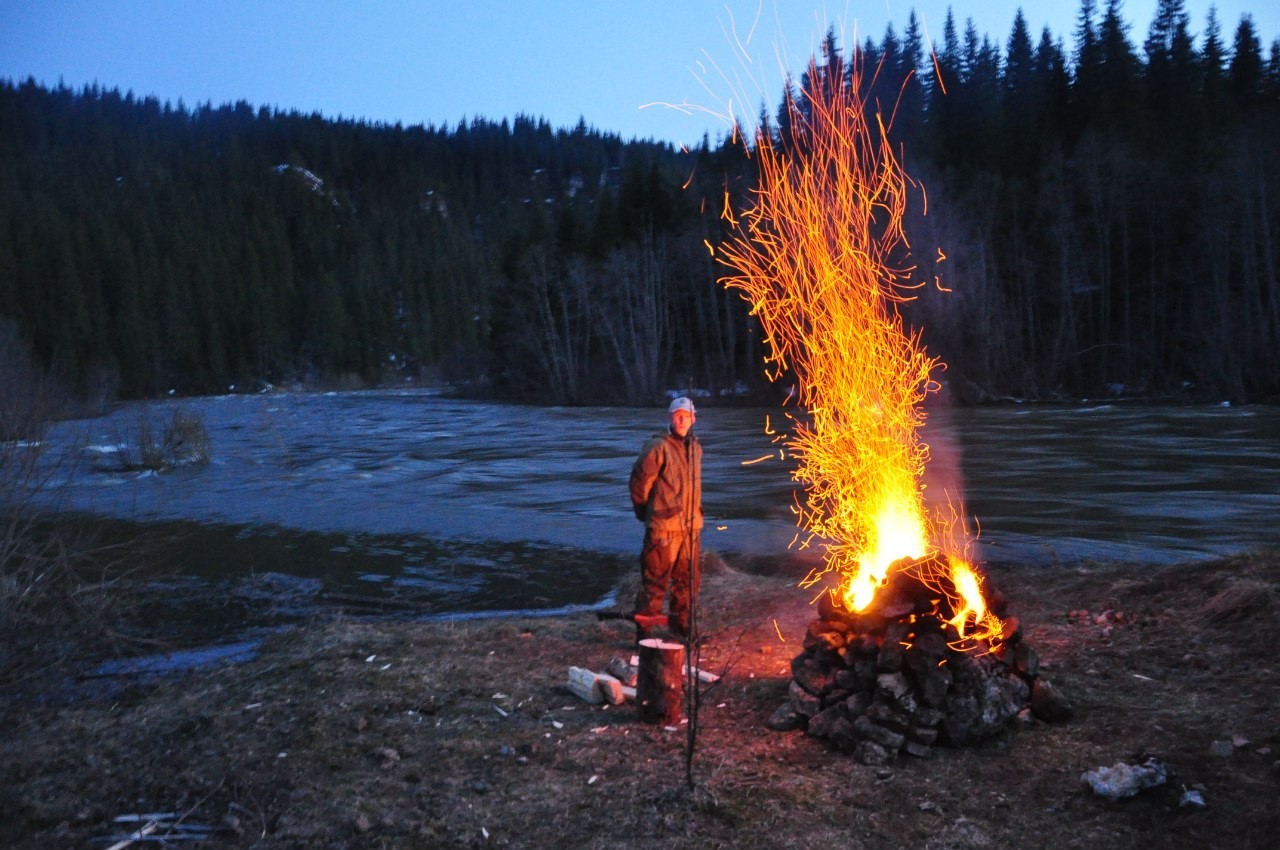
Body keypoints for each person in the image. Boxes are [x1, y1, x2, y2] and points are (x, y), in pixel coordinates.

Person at [628, 396, 703, 643]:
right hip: (663, 530)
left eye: (687, 415)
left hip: (690, 529)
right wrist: (646, 514)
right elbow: (639, 484)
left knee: (688, 583)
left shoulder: (696, 447)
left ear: (694, 419)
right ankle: (645, 637)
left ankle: (681, 633)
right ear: (670, 417)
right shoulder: (657, 447)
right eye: (677, 414)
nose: (682, 419)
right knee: (655, 583)